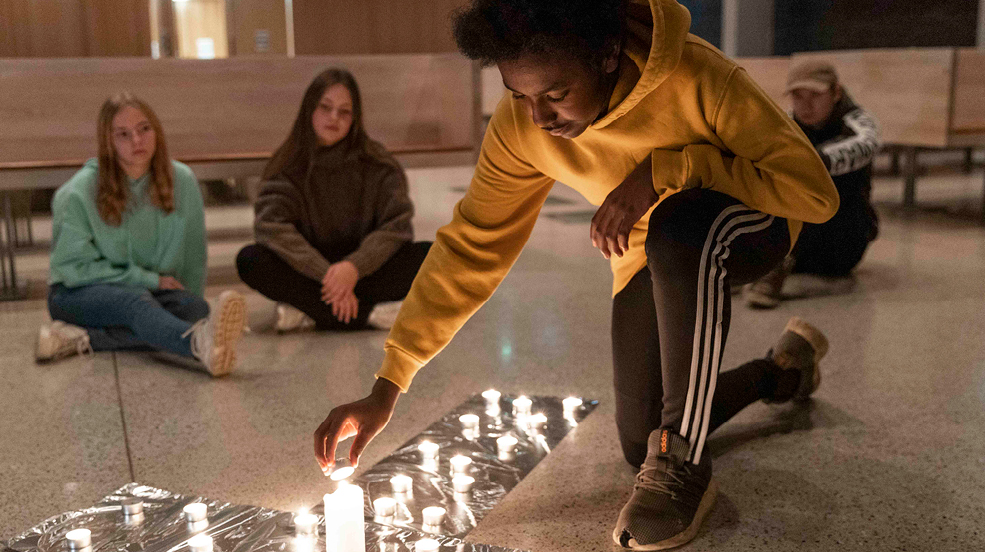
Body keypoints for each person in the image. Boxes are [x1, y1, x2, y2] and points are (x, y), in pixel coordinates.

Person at [313, 1, 839, 549]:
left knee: (677, 229)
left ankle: (682, 465)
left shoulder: (700, 78)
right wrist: (387, 387)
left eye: (555, 94)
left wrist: (669, 169)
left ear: (608, 55)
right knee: (640, 443)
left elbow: (815, 194)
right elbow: (471, 247)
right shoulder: (522, 127)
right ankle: (781, 372)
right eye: (519, 95)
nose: (537, 117)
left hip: (754, 221)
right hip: (649, 252)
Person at [37, 92, 247, 376]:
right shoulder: (80, 190)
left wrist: (187, 299)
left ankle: (81, 338)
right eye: (123, 134)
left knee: (195, 310)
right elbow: (74, 269)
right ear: (108, 143)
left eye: (144, 129)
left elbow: (194, 254)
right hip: (75, 293)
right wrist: (147, 279)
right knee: (136, 302)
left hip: (149, 291)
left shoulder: (181, 180)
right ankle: (199, 344)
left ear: (156, 130)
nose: (137, 141)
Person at [236, 68, 431, 332]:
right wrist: (329, 275)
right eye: (325, 107)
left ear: (355, 117)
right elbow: (272, 229)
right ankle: (370, 314)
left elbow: (396, 227)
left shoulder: (378, 163)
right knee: (251, 260)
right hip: (311, 270)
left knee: (433, 256)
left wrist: (353, 268)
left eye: (344, 111)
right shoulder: (288, 165)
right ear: (309, 110)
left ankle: (311, 311)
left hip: (364, 268)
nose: (333, 118)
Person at [745, 60, 880, 308]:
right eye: (798, 96)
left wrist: (797, 162)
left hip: (842, 242)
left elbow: (866, 145)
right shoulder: (785, 123)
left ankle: (772, 267)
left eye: (815, 95)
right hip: (798, 244)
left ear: (836, 92)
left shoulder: (860, 123)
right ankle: (750, 263)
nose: (805, 105)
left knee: (803, 179)